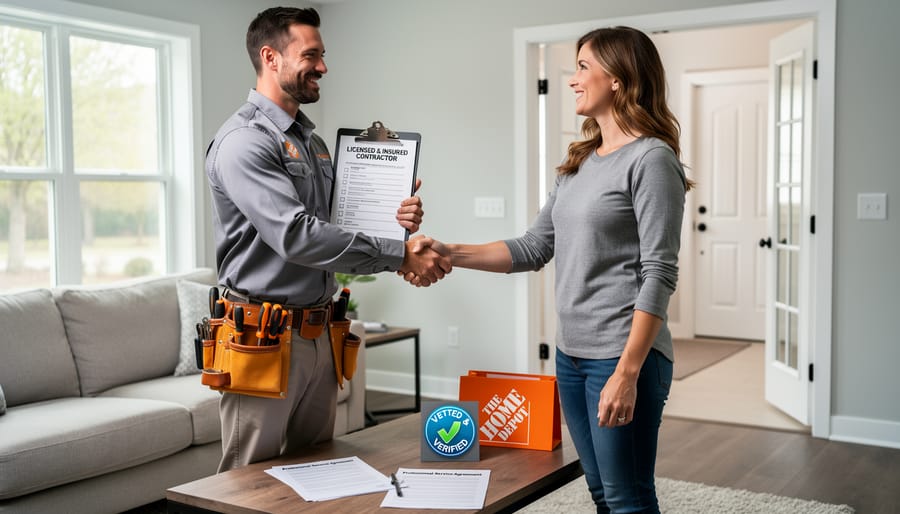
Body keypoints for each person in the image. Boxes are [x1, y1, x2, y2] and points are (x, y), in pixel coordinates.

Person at [406, 27, 691, 513]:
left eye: (583, 67)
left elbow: (659, 272)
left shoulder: (651, 159)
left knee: (628, 497)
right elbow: (534, 246)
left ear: (618, 77)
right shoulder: (580, 162)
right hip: (571, 355)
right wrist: (447, 250)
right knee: (601, 491)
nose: (574, 80)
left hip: (621, 356)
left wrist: (627, 372)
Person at [206, 6, 450, 472]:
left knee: (317, 471)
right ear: (270, 57)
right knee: (246, 483)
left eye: (322, 55)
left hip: (320, 332)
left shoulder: (313, 143)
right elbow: (297, 236)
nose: (322, 67)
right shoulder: (244, 141)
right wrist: (399, 255)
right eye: (311, 55)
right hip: (262, 335)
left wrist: (395, 221)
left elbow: (337, 224)